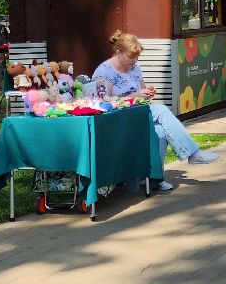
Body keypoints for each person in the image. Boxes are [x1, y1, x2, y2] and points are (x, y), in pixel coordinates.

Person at [93, 31, 218, 190]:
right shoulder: (104, 72)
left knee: (160, 131)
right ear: (118, 53)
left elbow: (142, 92)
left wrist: (147, 93)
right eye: (131, 57)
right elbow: (102, 102)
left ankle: (155, 178)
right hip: (117, 119)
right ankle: (193, 153)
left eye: (137, 57)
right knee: (160, 109)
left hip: (136, 114)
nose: (135, 61)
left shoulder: (135, 68)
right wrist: (135, 96)